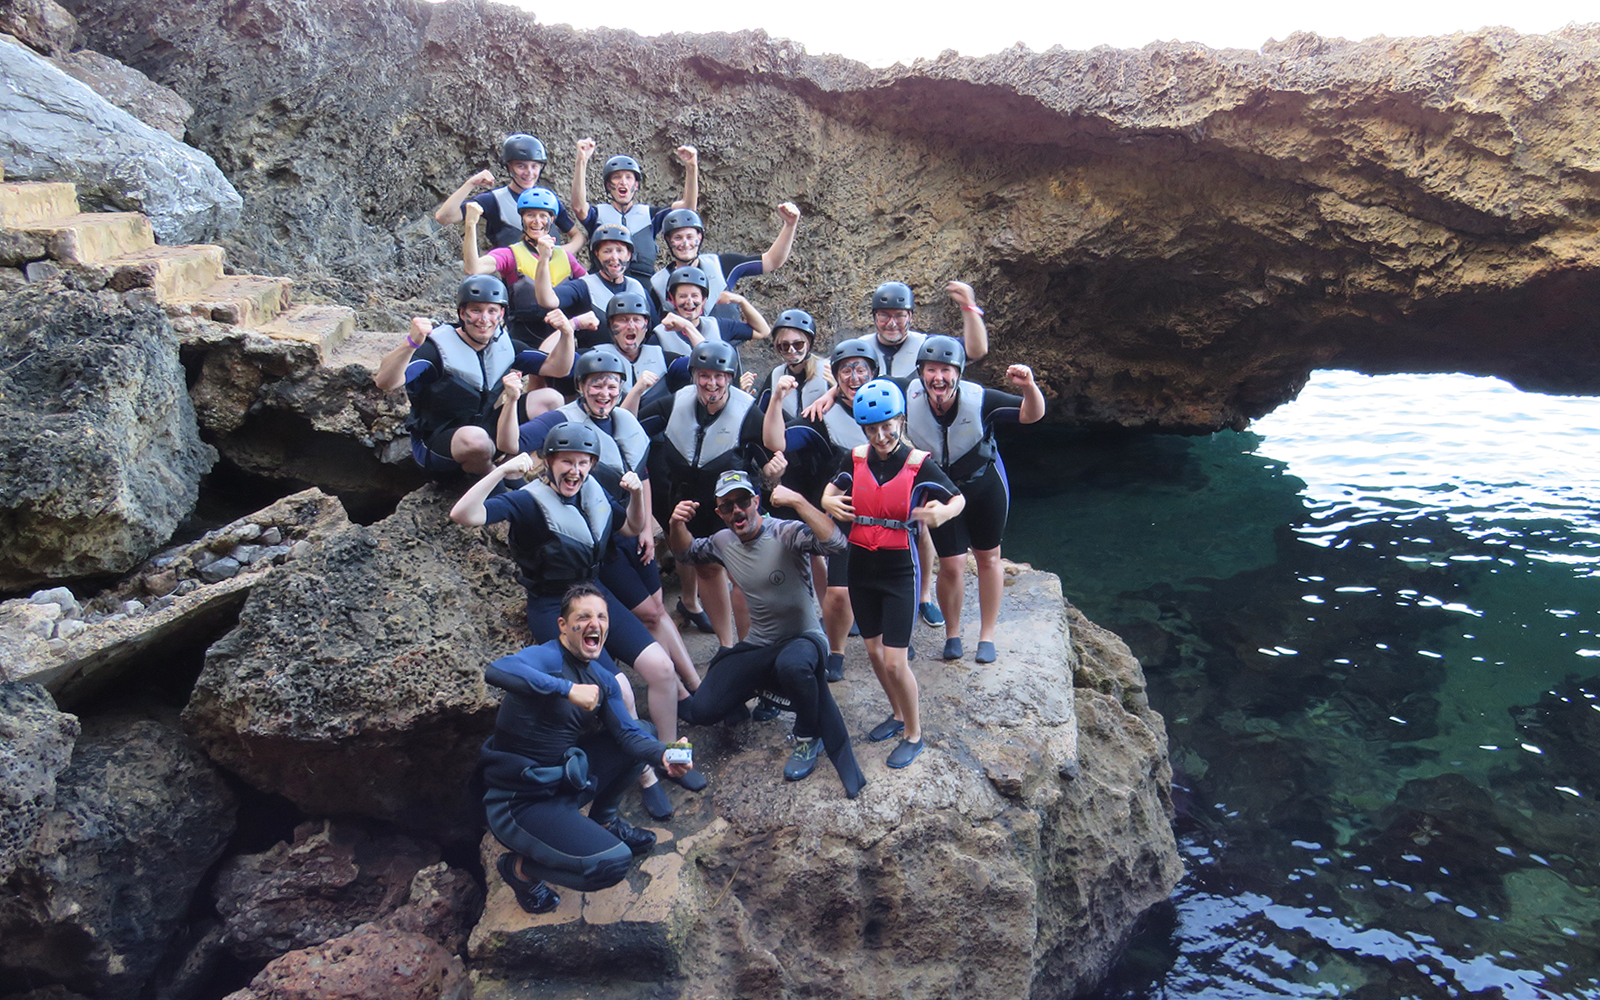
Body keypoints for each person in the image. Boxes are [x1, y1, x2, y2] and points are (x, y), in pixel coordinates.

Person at [450, 423, 706, 800]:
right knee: (618, 689)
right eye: (566, 462)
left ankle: (670, 757)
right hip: (553, 605)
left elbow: (634, 525)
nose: (575, 471)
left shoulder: (594, 491)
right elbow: (463, 514)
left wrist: (636, 495)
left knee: (663, 669)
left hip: (594, 596)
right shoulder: (526, 500)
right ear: (549, 462)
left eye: (583, 463)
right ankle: (645, 777)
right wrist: (502, 472)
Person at [506, 347, 701, 730]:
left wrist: (645, 527)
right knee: (644, 612)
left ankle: (691, 687)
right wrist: (512, 402)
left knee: (657, 609)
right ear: (580, 387)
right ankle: (674, 691)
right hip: (594, 545)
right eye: (596, 385)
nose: (604, 393)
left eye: (611, 385)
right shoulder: (562, 422)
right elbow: (512, 444)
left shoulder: (625, 420)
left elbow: (639, 470)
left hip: (624, 527)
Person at [479, 583, 690, 913]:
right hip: (521, 803)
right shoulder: (546, 657)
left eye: (602, 617)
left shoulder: (602, 679)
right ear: (563, 626)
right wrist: (566, 690)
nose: (596, 624)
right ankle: (520, 870)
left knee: (644, 732)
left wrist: (664, 753)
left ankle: (605, 821)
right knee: (611, 865)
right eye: (584, 616)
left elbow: (630, 736)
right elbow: (498, 670)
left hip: (564, 783)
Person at [668, 472, 865, 794]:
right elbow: (685, 553)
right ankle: (758, 692)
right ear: (720, 513)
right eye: (727, 506)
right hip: (759, 646)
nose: (737, 511)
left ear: (756, 502)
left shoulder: (784, 532)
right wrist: (677, 525)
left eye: (743, 501)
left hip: (804, 639)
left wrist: (799, 501)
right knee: (702, 711)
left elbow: (836, 544)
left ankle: (807, 736)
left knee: (793, 665)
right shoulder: (722, 541)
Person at [823, 379, 964, 769]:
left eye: (888, 427)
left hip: (899, 570)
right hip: (860, 566)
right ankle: (897, 713)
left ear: (901, 421)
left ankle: (914, 732)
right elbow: (829, 492)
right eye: (872, 429)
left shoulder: (919, 464)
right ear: (862, 428)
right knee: (871, 651)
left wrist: (942, 513)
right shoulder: (854, 458)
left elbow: (958, 498)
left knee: (894, 661)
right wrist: (828, 502)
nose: (881, 436)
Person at [903, 336, 1046, 664]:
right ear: (920, 373)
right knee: (951, 566)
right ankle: (952, 634)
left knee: (988, 558)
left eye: (946, 370)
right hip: (940, 491)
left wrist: (1029, 386)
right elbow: (863, 391)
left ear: (959, 373)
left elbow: (1031, 415)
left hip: (983, 485)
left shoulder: (980, 399)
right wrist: (828, 393)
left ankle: (987, 635)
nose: (938, 377)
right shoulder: (905, 394)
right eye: (930, 369)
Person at [639, 341, 772, 648]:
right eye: (704, 376)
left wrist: (774, 467)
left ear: (730, 377)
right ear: (694, 375)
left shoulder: (747, 411)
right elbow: (630, 428)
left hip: (733, 504)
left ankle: (752, 646)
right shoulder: (675, 404)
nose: (712, 383)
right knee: (708, 570)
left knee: (743, 577)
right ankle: (727, 646)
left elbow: (771, 449)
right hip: (691, 501)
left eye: (720, 376)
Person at [373, 275, 574, 477]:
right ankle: (495, 480)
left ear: (502, 314)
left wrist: (567, 333)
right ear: (462, 313)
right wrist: (411, 343)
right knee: (477, 440)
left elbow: (558, 368)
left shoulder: (504, 345)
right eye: (476, 310)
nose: (484, 319)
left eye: (492, 311)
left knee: (551, 399)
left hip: (485, 428)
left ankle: (513, 471)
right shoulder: (434, 350)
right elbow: (385, 382)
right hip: (438, 443)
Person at [764, 338, 876, 680]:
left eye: (861, 370)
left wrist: (831, 391)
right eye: (846, 371)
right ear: (836, 376)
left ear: (873, 372)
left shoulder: (892, 401)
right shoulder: (821, 416)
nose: (854, 377)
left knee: (886, 579)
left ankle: (890, 636)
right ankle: (837, 651)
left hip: (887, 513)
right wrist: (777, 399)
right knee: (840, 593)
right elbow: (777, 442)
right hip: (845, 511)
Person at [462, 188, 586, 345]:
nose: (536, 221)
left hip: (560, 338)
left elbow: (591, 288)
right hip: (522, 338)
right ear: (522, 219)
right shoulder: (510, 254)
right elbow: (473, 269)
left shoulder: (566, 257)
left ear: (552, 219)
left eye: (543, 216)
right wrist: (471, 225)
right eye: (530, 215)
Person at [570, 141, 699, 284]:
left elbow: (687, 211)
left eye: (628, 177)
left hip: (643, 285)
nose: (623, 182)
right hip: (604, 283)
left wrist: (691, 167)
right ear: (608, 185)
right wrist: (581, 161)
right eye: (617, 177)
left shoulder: (650, 215)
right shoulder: (597, 214)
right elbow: (579, 207)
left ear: (636, 185)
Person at [434, 133, 583, 254]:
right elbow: (444, 217)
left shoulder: (548, 200)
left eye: (534, 166)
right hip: (516, 282)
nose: (529, 172)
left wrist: (562, 253)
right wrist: (470, 183)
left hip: (553, 279)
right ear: (509, 167)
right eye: (521, 166)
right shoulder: (493, 201)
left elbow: (577, 236)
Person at [650, 204, 800, 322]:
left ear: (700, 238)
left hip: (724, 354)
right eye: (678, 238)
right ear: (669, 241)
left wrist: (790, 225)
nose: (685, 243)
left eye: (690, 237)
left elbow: (772, 261)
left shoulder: (723, 265)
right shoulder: (659, 284)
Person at [537, 225, 659, 342]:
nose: (614, 257)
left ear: (629, 255)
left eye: (620, 251)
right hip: (594, 358)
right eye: (607, 251)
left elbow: (655, 330)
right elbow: (547, 300)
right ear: (596, 254)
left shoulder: (638, 288)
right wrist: (543, 259)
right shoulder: (583, 286)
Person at [653, 265, 769, 363]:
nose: (689, 302)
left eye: (695, 296)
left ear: (703, 300)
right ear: (672, 300)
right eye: (682, 296)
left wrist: (741, 301)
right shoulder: (659, 336)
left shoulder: (719, 326)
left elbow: (762, 331)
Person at [750, 309, 830, 418]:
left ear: (809, 343)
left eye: (798, 344)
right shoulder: (776, 376)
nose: (791, 350)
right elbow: (759, 416)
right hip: (786, 433)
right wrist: (745, 396)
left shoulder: (827, 370)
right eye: (784, 345)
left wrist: (837, 390)